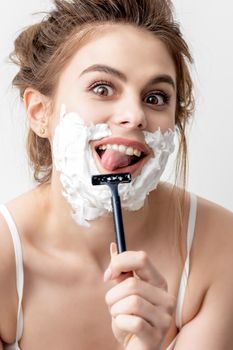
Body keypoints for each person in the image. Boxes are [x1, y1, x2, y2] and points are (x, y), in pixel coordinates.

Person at [0, 0, 233, 349]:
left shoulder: (220, 247)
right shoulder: (5, 258)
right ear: (39, 112)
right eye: (102, 88)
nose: (135, 115)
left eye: (155, 97)